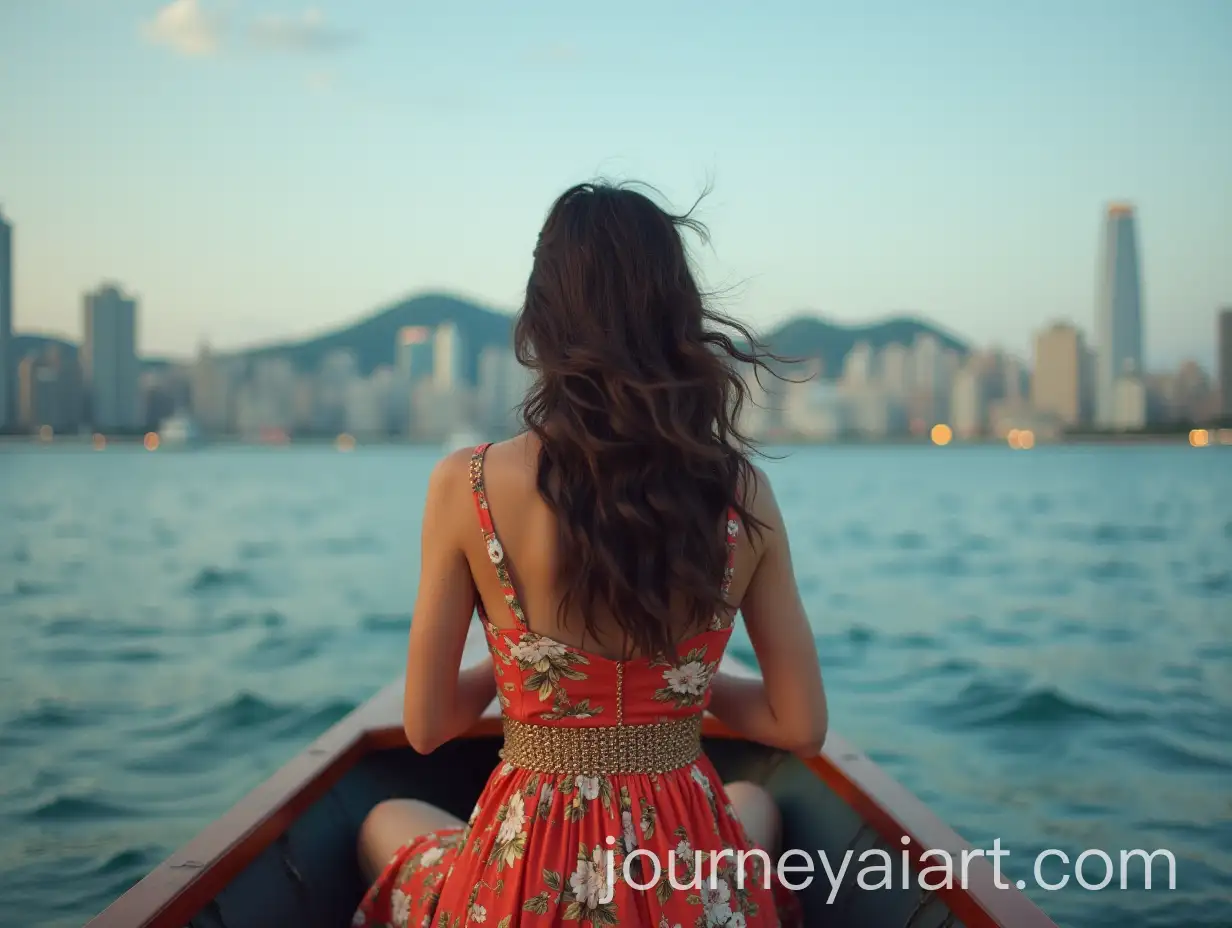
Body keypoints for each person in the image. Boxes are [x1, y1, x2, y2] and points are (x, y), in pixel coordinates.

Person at [353, 181, 827, 928]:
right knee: (752, 802)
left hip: (525, 886)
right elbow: (799, 727)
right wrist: (684, 688)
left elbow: (427, 725)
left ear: (543, 318)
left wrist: (512, 674)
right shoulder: (744, 495)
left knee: (386, 822)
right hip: (678, 868)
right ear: (678, 314)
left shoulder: (466, 486)